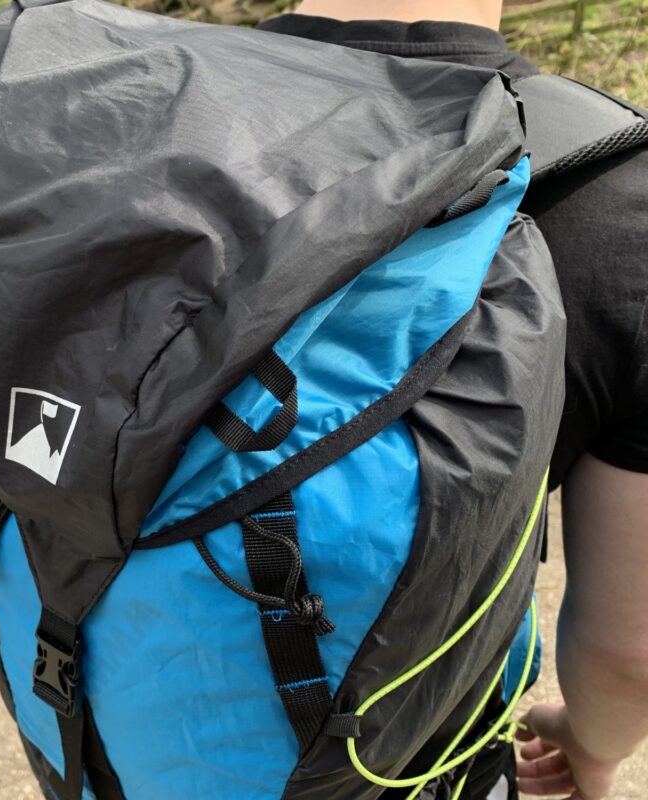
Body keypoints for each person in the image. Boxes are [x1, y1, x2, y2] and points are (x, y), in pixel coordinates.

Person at [255, 2, 648, 799]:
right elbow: (628, 653)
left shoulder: (132, 121)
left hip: (111, 738)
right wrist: (592, 744)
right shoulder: (613, 194)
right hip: (407, 765)